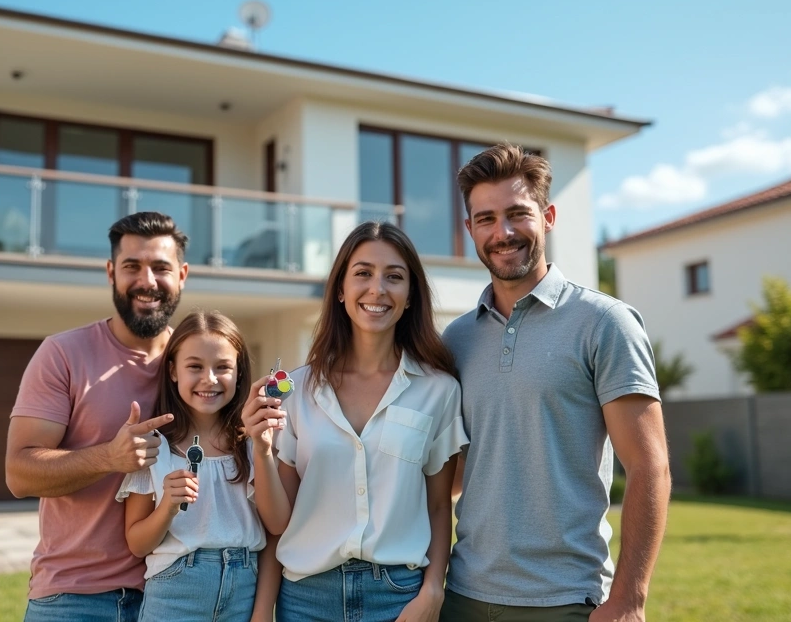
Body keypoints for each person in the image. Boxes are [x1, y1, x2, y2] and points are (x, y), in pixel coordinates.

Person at [441, 144, 671, 622]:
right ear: (469, 229)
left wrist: (629, 598)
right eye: (485, 219)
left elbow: (650, 467)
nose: (501, 233)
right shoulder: (457, 338)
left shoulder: (605, 323)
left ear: (547, 216)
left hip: (565, 600)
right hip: (463, 594)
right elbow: (456, 471)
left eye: (516, 214)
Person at [251, 221, 467, 622]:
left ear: (410, 295)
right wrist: (262, 450)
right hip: (306, 599)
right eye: (363, 273)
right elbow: (278, 520)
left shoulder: (439, 390)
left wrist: (434, 588)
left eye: (394, 277)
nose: (378, 289)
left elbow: (439, 504)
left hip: (399, 597)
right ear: (340, 290)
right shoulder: (295, 389)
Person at [4, 211, 189, 622]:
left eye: (161, 267)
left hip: (178, 595)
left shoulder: (199, 366)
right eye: (131, 267)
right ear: (110, 272)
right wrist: (110, 458)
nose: (147, 281)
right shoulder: (63, 354)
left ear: (182, 274)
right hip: (75, 599)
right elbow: (19, 474)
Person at [117, 311, 280, 622]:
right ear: (173, 371)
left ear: (239, 373)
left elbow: (276, 528)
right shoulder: (153, 445)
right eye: (195, 366)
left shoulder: (254, 441)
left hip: (244, 590)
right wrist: (167, 506)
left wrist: (263, 611)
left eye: (223, 367)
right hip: (175, 594)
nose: (210, 379)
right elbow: (137, 544)